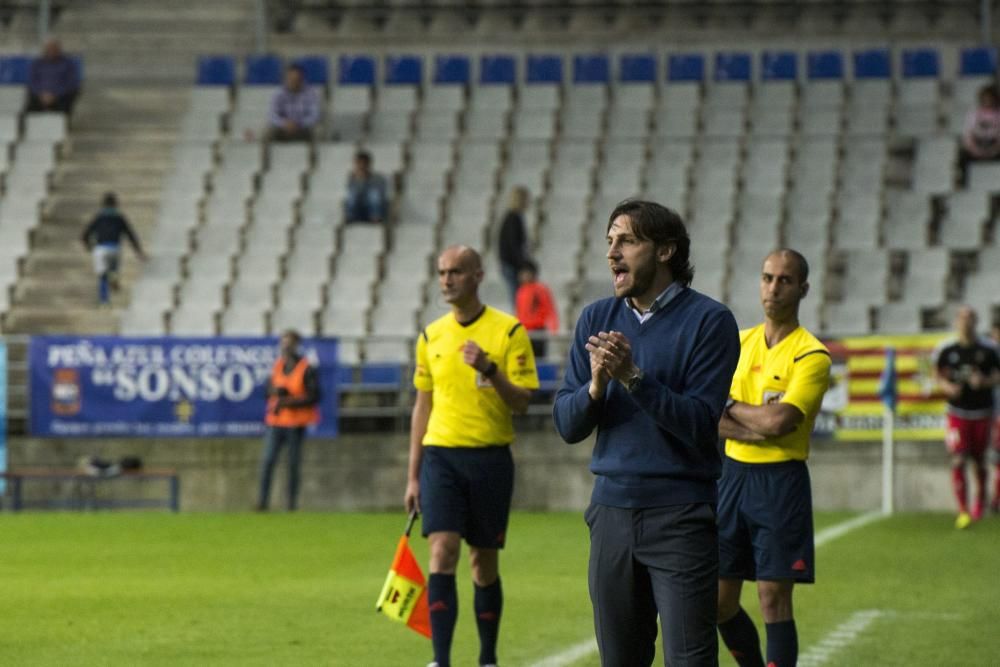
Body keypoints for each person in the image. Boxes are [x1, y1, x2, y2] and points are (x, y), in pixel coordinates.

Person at [553, 199, 740, 666]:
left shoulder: (710, 322)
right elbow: (566, 424)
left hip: (679, 516)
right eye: (610, 242)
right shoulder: (596, 320)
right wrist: (596, 387)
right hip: (610, 514)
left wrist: (633, 378)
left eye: (628, 241)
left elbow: (700, 424)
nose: (613, 253)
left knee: (690, 660)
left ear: (665, 251)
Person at [404, 245, 539, 667]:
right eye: (442, 272)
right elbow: (422, 406)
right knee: (442, 550)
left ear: (478, 276)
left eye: (456, 272)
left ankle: (487, 658)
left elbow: (522, 402)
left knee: (483, 562)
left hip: (489, 460)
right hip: (441, 457)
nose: (446, 280)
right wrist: (413, 476)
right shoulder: (431, 336)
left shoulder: (508, 331)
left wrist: (490, 370)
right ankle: (440, 660)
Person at [715, 249, 832, 667]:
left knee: (773, 598)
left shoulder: (811, 355)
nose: (773, 288)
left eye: (784, 280)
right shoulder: (737, 342)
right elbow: (708, 416)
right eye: (767, 278)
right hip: (729, 478)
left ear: (803, 288)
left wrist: (728, 407)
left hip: (780, 483)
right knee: (717, 603)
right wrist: (752, 421)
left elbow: (780, 422)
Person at [932, 306, 1000, 528]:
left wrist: (985, 382)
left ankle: (978, 504)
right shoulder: (946, 349)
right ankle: (962, 510)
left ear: (976, 321)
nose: (966, 322)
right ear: (956, 322)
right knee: (958, 458)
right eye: (962, 318)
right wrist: (948, 387)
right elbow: (935, 374)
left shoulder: (989, 349)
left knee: (979, 460)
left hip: (982, 412)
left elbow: (997, 375)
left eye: (970, 317)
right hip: (957, 413)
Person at [257, 330, 321, 511]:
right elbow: (266, 391)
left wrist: (288, 401)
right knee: (267, 462)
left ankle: (291, 505)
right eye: (283, 343)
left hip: (295, 424)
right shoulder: (277, 366)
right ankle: (262, 503)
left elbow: (314, 396)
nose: (285, 347)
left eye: (289, 343)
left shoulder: (306, 368)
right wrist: (276, 392)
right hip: (275, 423)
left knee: (293, 465)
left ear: (296, 345)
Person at [80, 192, 146, 306]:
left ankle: (104, 300)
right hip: (115, 248)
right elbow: (130, 234)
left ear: (103, 204)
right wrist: (138, 251)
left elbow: (85, 234)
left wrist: (89, 246)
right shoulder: (120, 218)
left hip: (100, 248)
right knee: (113, 268)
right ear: (116, 204)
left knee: (102, 275)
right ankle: (114, 274)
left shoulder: (98, 217)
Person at [514, 260, 559, 360]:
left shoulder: (540, 289)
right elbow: (519, 312)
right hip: (524, 331)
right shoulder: (521, 290)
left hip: (537, 331)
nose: (522, 275)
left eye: (525, 273)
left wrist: (553, 327)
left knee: (538, 360)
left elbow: (549, 309)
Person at [958, 84, 1000, 187]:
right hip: (977, 146)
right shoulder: (973, 114)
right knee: (962, 156)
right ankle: (965, 184)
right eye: (985, 99)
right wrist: (976, 150)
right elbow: (968, 135)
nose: (988, 101)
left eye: (990, 99)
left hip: (994, 147)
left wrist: (994, 150)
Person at [497, 186, 532, 304]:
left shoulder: (513, 217)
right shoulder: (513, 218)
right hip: (512, 266)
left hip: (510, 264)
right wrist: (523, 267)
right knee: (518, 301)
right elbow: (514, 246)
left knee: (518, 300)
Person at [268, 64, 320, 142]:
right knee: (267, 132)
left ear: (302, 79)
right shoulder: (279, 94)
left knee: (317, 132)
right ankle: (265, 154)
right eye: (291, 79)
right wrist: (284, 123)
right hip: (283, 128)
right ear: (286, 78)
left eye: (297, 79)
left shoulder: (310, 93)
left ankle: (313, 154)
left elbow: (315, 115)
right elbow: (272, 115)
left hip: (302, 128)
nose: (294, 82)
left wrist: (299, 123)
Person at [27, 38, 80, 114]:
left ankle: (61, 123)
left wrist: (55, 95)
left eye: (54, 47)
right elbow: (32, 81)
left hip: (60, 96)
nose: (51, 50)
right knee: (30, 105)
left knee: (67, 98)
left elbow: (71, 82)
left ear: (58, 49)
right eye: (49, 48)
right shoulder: (37, 64)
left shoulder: (68, 64)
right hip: (40, 96)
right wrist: (41, 94)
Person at [344, 150, 389, 223]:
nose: (361, 166)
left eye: (364, 163)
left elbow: (381, 196)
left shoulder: (378, 178)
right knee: (352, 194)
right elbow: (352, 197)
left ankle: (375, 217)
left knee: (374, 194)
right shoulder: (352, 178)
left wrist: (365, 179)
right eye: (359, 163)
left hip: (371, 209)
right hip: (358, 209)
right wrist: (359, 179)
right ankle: (350, 217)